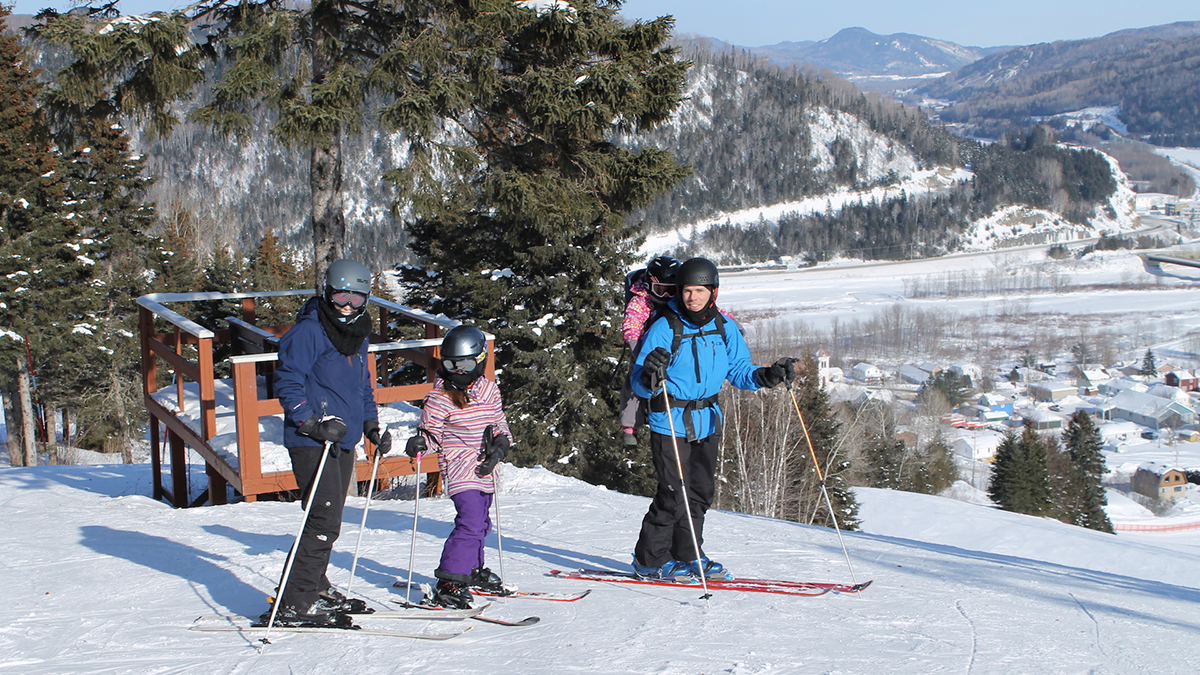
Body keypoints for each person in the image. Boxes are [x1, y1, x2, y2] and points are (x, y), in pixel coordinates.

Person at [629, 257, 797, 580]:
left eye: (699, 291)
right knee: (673, 492)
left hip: (708, 419)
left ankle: (688, 552)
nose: (692, 298)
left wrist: (768, 375)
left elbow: (740, 372)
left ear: (713, 292)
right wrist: (650, 371)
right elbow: (638, 381)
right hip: (671, 420)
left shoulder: (724, 327)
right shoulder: (665, 326)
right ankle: (648, 561)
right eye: (687, 291)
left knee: (700, 492)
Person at [265, 258, 393, 627]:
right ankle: (296, 602)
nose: (348, 306)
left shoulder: (358, 333)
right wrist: (310, 422)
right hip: (312, 441)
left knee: (328, 517)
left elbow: (362, 385)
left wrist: (370, 424)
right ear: (326, 292)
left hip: (344, 438)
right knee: (321, 517)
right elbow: (287, 382)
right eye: (340, 297)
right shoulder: (308, 331)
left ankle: (314, 586)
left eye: (357, 298)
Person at [404, 324, 513, 609]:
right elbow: (431, 435)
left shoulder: (489, 390)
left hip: (487, 469)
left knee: (482, 523)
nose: (458, 370)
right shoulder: (439, 398)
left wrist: (501, 444)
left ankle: (472, 569)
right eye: (451, 364)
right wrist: (419, 443)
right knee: (471, 522)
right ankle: (451, 580)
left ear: (480, 360)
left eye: (465, 363)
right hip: (460, 468)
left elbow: (499, 424)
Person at [618, 255, 680, 446]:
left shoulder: (681, 300)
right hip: (644, 346)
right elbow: (632, 322)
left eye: (670, 291)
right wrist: (636, 348)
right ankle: (630, 425)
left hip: (673, 345)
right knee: (634, 381)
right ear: (648, 286)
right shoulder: (641, 301)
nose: (665, 297)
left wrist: (729, 327)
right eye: (659, 290)